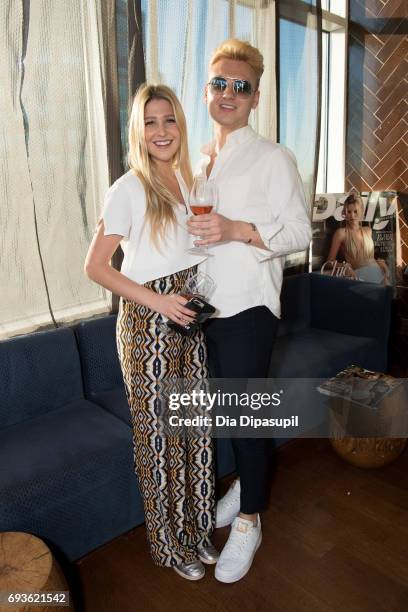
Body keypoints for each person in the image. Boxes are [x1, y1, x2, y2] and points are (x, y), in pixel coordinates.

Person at [187, 39, 312, 583]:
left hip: (248, 309)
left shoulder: (273, 157)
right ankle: (245, 484)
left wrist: (239, 230)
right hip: (201, 308)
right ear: (206, 90)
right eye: (220, 83)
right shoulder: (198, 159)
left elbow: (303, 233)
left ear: (256, 97)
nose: (229, 93)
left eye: (241, 86)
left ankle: (250, 519)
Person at [84, 84, 217, 581]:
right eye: (151, 122)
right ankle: (170, 545)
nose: (162, 131)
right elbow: (95, 266)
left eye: (170, 120)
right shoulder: (129, 187)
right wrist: (159, 300)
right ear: (138, 131)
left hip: (189, 316)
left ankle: (196, 527)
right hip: (146, 323)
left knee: (196, 430)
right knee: (161, 438)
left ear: (181, 124)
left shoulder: (192, 180)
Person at [326, 193, 389, 284]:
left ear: (361, 212)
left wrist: (379, 262)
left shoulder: (368, 231)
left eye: (355, 211)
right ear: (344, 212)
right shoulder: (341, 233)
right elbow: (328, 262)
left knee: (389, 290)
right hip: (359, 278)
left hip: (377, 274)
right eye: (349, 212)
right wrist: (343, 266)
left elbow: (369, 259)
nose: (352, 216)